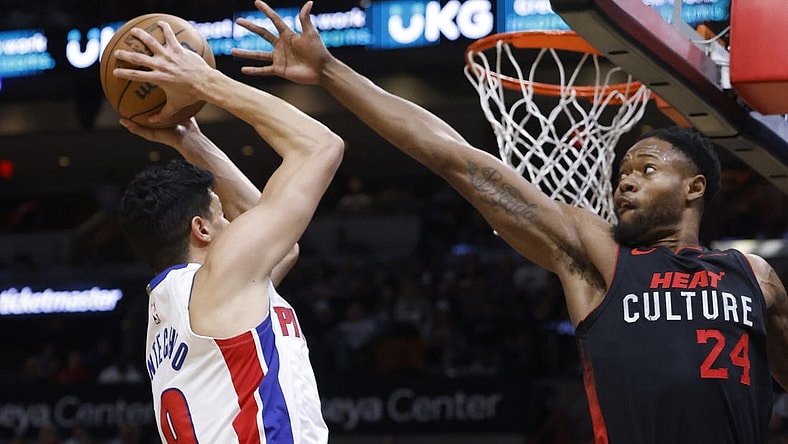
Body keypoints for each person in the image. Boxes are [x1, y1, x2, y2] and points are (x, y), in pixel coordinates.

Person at [231, 2, 788, 443]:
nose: (625, 180)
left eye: (646, 168)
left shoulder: (754, 276)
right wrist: (330, 71)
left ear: (695, 188)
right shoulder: (596, 257)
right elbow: (455, 157)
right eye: (622, 171)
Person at [112, 18, 344, 443]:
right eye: (223, 216)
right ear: (200, 229)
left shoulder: (170, 309)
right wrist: (206, 81)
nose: (238, 222)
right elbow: (320, 146)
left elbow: (284, 248)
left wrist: (190, 140)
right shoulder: (219, 279)